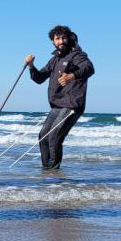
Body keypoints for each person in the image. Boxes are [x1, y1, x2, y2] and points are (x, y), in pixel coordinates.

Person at [25, 25, 94, 169]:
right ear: (52, 41)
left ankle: (54, 174)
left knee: (54, 137)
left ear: (69, 38)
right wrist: (31, 66)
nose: (61, 41)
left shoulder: (77, 55)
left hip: (72, 104)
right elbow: (39, 78)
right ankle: (47, 172)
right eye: (57, 39)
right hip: (57, 105)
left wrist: (71, 76)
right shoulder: (55, 60)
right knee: (43, 137)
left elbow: (89, 68)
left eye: (64, 38)